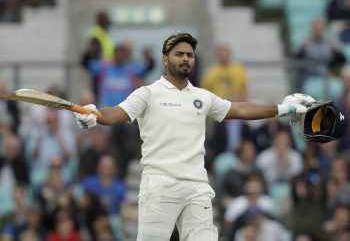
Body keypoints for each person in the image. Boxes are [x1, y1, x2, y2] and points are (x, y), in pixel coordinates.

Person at [73, 32, 314, 240]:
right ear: (165, 59)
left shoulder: (203, 96)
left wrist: (282, 109)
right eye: (179, 54)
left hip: (196, 186)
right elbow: (119, 112)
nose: (186, 58)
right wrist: (96, 114)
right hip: (160, 183)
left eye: (190, 54)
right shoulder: (147, 93)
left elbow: (239, 109)